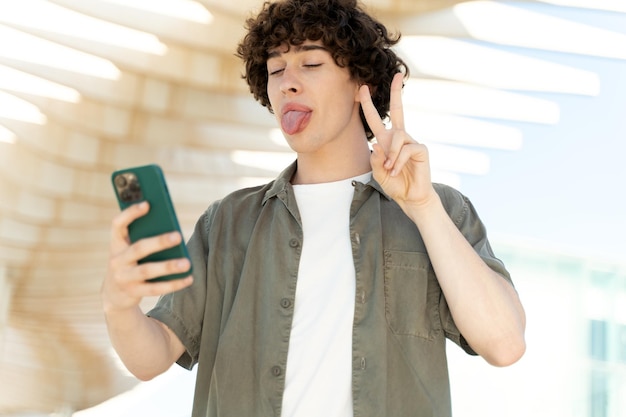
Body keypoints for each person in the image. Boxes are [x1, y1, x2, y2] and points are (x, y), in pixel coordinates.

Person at [102, 0, 526, 416]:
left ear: (362, 83)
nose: (287, 82)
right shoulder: (228, 222)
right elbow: (150, 358)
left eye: (311, 64)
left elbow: (505, 345)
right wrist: (119, 305)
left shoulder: (439, 209)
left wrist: (424, 206)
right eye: (275, 69)